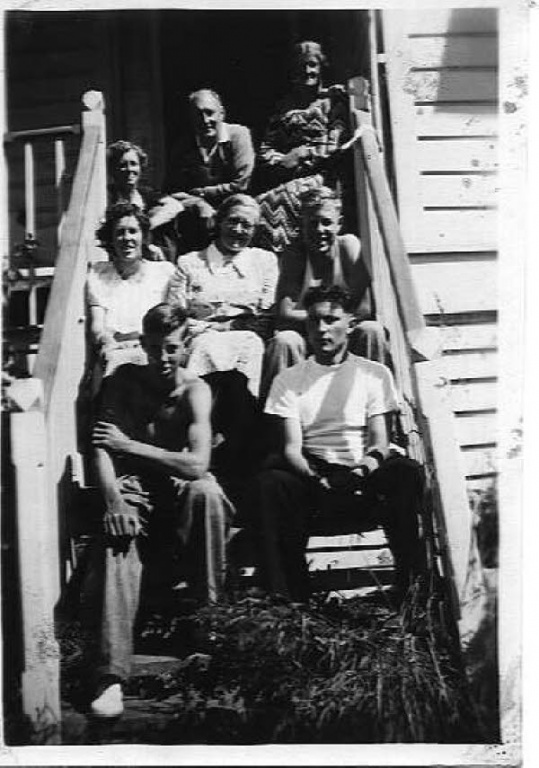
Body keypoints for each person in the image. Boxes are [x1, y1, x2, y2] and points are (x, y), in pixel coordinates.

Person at [88, 303, 234, 719]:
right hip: (134, 486)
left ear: (186, 346)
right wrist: (113, 501)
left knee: (207, 494)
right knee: (116, 539)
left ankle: (209, 630)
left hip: (179, 485)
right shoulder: (123, 381)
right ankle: (110, 676)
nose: (163, 357)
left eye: (171, 348)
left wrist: (130, 445)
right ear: (142, 344)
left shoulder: (195, 391)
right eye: (153, 348)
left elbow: (197, 464)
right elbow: (101, 446)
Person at [249, 285, 426, 603]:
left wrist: (361, 471)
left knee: (405, 471)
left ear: (350, 324)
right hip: (313, 477)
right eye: (314, 321)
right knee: (271, 482)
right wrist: (316, 478)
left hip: (363, 474)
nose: (321, 329)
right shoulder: (289, 379)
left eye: (331, 320)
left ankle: (411, 587)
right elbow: (291, 448)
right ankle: (292, 599)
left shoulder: (374, 374)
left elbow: (380, 441)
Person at [260, 186, 390, 401]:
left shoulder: (348, 246)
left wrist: (329, 324)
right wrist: (327, 321)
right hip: (308, 336)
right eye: (312, 223)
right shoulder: (295, 254)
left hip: (344, 335)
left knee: (371, 330)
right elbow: (284, 314)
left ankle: (378, 407)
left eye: (327, 222)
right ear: (302, 225)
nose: (319, 229)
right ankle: (279, 415)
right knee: (284, 341)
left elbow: (365, 309)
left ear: (339, 223)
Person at [166, 194, 278, 399]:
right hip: (199, 343)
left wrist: (214, 326)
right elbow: (174, 316)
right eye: (233, 221)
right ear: (219, 222)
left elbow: (265, 316)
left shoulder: (264, 262)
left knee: (249, 344)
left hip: (248, 341)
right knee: (205, 346)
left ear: (255, 230)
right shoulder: (189, 263)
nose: (238, 230)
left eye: (247, 225)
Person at [255, 40, 351, 254]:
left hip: (323, 176)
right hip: (288, 174)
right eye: (301, 66)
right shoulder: (284, 106)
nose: (308, 71)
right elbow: (266, 149)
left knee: (278, 200)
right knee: (258, 206)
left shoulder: (333, 101)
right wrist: (282, 161)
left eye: (312, 65)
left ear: (321, 67)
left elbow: (335, 144)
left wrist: (303, 154)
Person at [87, 202, 175, 383]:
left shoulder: (164, 272)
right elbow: (97, 326)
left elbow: (172, 322)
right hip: (116, 349)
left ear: (143, 236)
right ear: (110, 238)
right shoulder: (98, 273)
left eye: (133, 231)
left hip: (156, 353)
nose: (126, 238)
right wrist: (107, 341)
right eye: (120, 232)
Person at [160, 89, 255, 255]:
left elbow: (241, 183)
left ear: (222, 113)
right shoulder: (183, 146)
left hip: (235, 209)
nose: (205, 120)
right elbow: (172, 190)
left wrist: (202, 193)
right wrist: (199, 203)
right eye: (198, 115)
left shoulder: (238, 135)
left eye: (209, 113)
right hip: (197, 217)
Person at [106, 140, 175, 261]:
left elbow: (175, 206)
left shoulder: (144, 193)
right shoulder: (108, 196)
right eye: (123, 165)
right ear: (113, 170)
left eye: (133, 164)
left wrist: (146, 225)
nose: (129, 169)